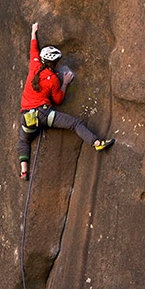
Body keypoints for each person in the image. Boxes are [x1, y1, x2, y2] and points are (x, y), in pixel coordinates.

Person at [18, 22, 114, 180]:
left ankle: (24, 171)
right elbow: (58, 99)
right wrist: (65, 83)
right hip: (44, 114)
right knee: (75, 124)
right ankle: (96, 143)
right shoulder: (54, 80)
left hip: (27, 117)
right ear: (55, 63)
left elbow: (33, 48)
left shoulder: (34, 65)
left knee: (23, 140)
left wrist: (33, 32)